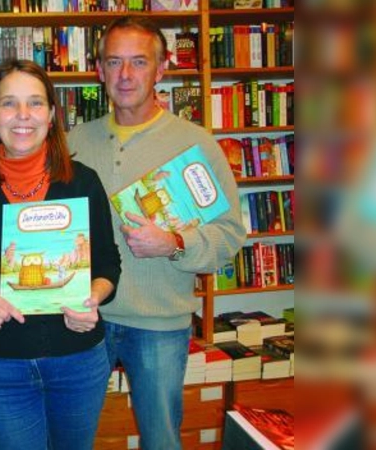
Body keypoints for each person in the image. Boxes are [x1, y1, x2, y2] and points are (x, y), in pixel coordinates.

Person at [67, 17, 246, 450]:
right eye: (114, 62)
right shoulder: (72, 142)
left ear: (161, 69)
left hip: (160, 324)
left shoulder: (196, 144)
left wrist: (176, 244)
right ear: (99, 70)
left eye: (138, 62)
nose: (125, 75)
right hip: (85, 318)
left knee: (161, 438)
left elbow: (231, 235)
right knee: (72, 436)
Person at [0, 59, 122, 450]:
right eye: (9, 104)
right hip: (2, 364)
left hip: (78, 358)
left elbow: (108, 264)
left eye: (35, 103)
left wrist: (93, 298)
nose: (23, 116)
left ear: (51, 114)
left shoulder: (83, 181)